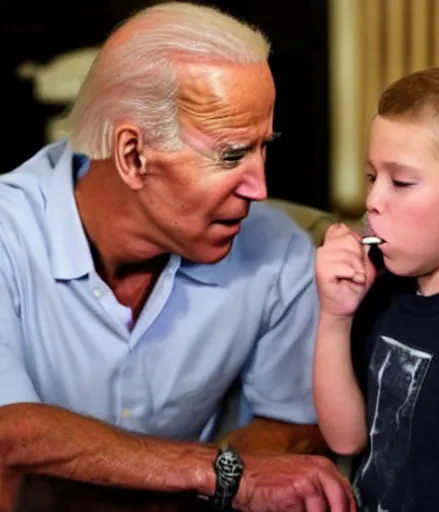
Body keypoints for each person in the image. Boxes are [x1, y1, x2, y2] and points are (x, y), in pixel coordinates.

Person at [0, 2, 358, 511]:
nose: (260, 188)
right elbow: (8, 433)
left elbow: (295, 424)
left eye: (263, 148)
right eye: (231, 155)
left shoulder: (282, 252)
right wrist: (215, 474)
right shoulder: (7, 231)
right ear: (132, 155)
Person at [314, 66, 439, 511]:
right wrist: (335, 316)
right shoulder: (384, 286)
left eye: (400, 182)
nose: (372, 201)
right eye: (371, 177)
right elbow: (346, 438)